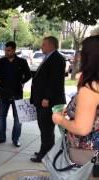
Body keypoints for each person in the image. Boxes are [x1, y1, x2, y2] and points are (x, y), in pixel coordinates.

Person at [53, 35, 99, 173]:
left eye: (82, 52)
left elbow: (82, 129)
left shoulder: (91, 89)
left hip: (89, 155)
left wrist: (59, 119)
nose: (79, 56)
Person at [30, 36, 66, 163]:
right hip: (44, 100)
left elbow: (54, 82)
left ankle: (44, 154)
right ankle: (47, 151)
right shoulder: (49, 57)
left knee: (46, 128)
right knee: (46, 129)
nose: (41, 46)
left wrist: (46, 98)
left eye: (44, 44)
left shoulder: (56, 59)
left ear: (51, 45)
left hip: (49, 101)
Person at [0, 41, 31, 147]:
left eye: (8, 50)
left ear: (14, 50)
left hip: (17, 94)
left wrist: (21, 82)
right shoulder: (1, 61)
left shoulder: (22, 62)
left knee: (18, 119)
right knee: (1, 117)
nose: (6, 52)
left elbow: (28, 75)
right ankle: (1, 137)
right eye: (5, 50)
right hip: (4, 93)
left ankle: (16, 139)